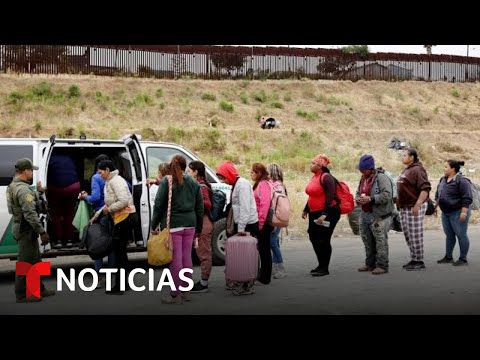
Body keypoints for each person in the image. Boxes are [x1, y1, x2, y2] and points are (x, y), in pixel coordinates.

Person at [151, 155, 203, 304]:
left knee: (175, 259)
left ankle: (175, 293)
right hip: (190, 224)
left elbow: (159, 205)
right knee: (187, 257)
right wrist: (198, 228)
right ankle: (186, 291)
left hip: (173, 225)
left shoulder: (166, 182)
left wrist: (154, 225)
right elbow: (199, 208)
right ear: (185, 166)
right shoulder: (193, 183)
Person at [6, 158, 56, 303]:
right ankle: (22, 295)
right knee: (25, 263)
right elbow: (30, 214)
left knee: (35, 260)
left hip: (25, 229)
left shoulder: (14, 186)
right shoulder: (22, 190)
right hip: (25, 229)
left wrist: (39, 193)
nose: (32, 174)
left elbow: (28, 204)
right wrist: (42, 232)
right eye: (31, 171)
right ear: (25, 171)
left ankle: (38, 289)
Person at [216, 160, 259, 295]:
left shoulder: (243, 185)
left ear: (229, 174)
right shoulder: (236, 184)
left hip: (248, 224)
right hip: (242, 223)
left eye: (223, 177)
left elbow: (245, 208)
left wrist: (240, 229)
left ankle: (247, 285)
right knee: (240, 255)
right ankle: (240, 281)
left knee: (247, 256)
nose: (223, 181)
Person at [98, 159, 136, 295]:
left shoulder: (116, 181)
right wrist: (97, 215)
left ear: (107, 170)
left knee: (119, 253)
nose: (99, 174)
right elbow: (110, 202)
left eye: (100, 172)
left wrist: (110, 210)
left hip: (124, 218)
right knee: (121, 253)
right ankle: (124, 284)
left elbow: (123, 201)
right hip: (120, 218)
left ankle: (119, 286)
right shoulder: (111, 181)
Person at [79, 154, 114, 288]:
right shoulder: (114, 177)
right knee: (110, 245)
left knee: (97, 245)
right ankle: (111, 276)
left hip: (100, 214)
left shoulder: (96, 177)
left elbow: (95, 197)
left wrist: (85, 197)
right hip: (112, 213)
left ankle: (99, 277)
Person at [302, 154, 341, 277]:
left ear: (320, 166)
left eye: (313, 163)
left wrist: (325, 214)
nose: (311, 165)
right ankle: (321, 264)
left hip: (328, 212)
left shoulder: (326, 177)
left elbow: (330, 197)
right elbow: (312, 195)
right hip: (314, 212)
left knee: (323, 239)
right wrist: (306, 209)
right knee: (313, 236)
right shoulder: (315, 177)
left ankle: (324, 268)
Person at [355, 155, 394, 275]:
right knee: (367, 241)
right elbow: (358, 192)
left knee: (380, 241)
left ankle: (382, 265)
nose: (361, 172)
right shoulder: (363, 178)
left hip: (379, 216)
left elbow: (387, 195)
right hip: (365, 214)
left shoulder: (382, 178)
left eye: (364, 170)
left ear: (371, 168)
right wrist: (358, 199)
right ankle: (370, 264)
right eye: (360, 170)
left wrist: (371, 199)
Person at [397, 148, 431, 271]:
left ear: (412, 157)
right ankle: (414, 258)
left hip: (414, 206)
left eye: (404, 155)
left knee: (415, 234)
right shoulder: (407, 169)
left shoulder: (418, 169)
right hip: (405, 206)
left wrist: (418, 204)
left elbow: (425, 188)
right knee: (408, 234)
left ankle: (419, 261)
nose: (402, 157)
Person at [435, 160, 473, 266]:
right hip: (446, 212)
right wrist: (435, 207)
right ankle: (448, 257)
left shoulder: (462, 181)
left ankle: (463, 259)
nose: (444, 169)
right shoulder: (443, 179)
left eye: (446, 167)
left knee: (461, 234)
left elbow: (467, 198)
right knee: (449, 235)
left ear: (453, 169)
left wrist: (464, 213)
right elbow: (439, 194)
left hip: (458, 212)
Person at [187, 161, 214, 293]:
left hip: (204, 223)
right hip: (202, 222)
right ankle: (203, 281)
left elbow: (207, 204)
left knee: (204, 253)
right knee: (202, 252)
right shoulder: (199, 184)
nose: (188, 173)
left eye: (189, 171)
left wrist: (193, 203)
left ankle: (204, 283)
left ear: (195, 172)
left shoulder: (201, 186)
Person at [46, 153, 81, 249]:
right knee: (69, 214)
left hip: (56, 188)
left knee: (56, 215)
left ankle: (58, 241)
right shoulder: (69, 158)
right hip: (73, 186)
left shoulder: (49, 159)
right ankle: (69, 240)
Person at [251, 162, 273, 285]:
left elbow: (264, 205)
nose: (251, 174)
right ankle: (262, 274)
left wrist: (260, 223)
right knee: (262, 249)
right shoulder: (259, 184)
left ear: (258, 173)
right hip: (260, 221)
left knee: (264, 250)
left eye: (253, 172)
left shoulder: (263, 184)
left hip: (263, 223)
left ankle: (265, 277)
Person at [266, 163, 287, 279]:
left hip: (276, 217)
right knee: (275, 242)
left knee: (272, 242)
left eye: (267, 171)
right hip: (275, 217)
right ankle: (276, 266)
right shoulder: (274, 185)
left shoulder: (277, 186)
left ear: (272, 173)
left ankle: (280, 268)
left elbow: (277, 204)